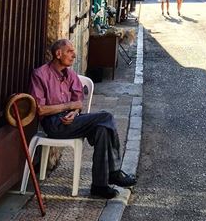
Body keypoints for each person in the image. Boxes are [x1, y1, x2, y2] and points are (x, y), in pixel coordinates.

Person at [29, 39, 136, 199]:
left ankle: (99, 186)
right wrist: (68, 106)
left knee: (102, 130)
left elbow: (78, 102)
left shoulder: (70, 74)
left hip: (71, 120)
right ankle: (113, 172)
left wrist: (75, 111)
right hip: (53, 124)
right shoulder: (40, 74)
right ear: (58, 54)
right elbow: (40, 109)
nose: (74, 55)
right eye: (70, 51)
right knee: (106, 117)